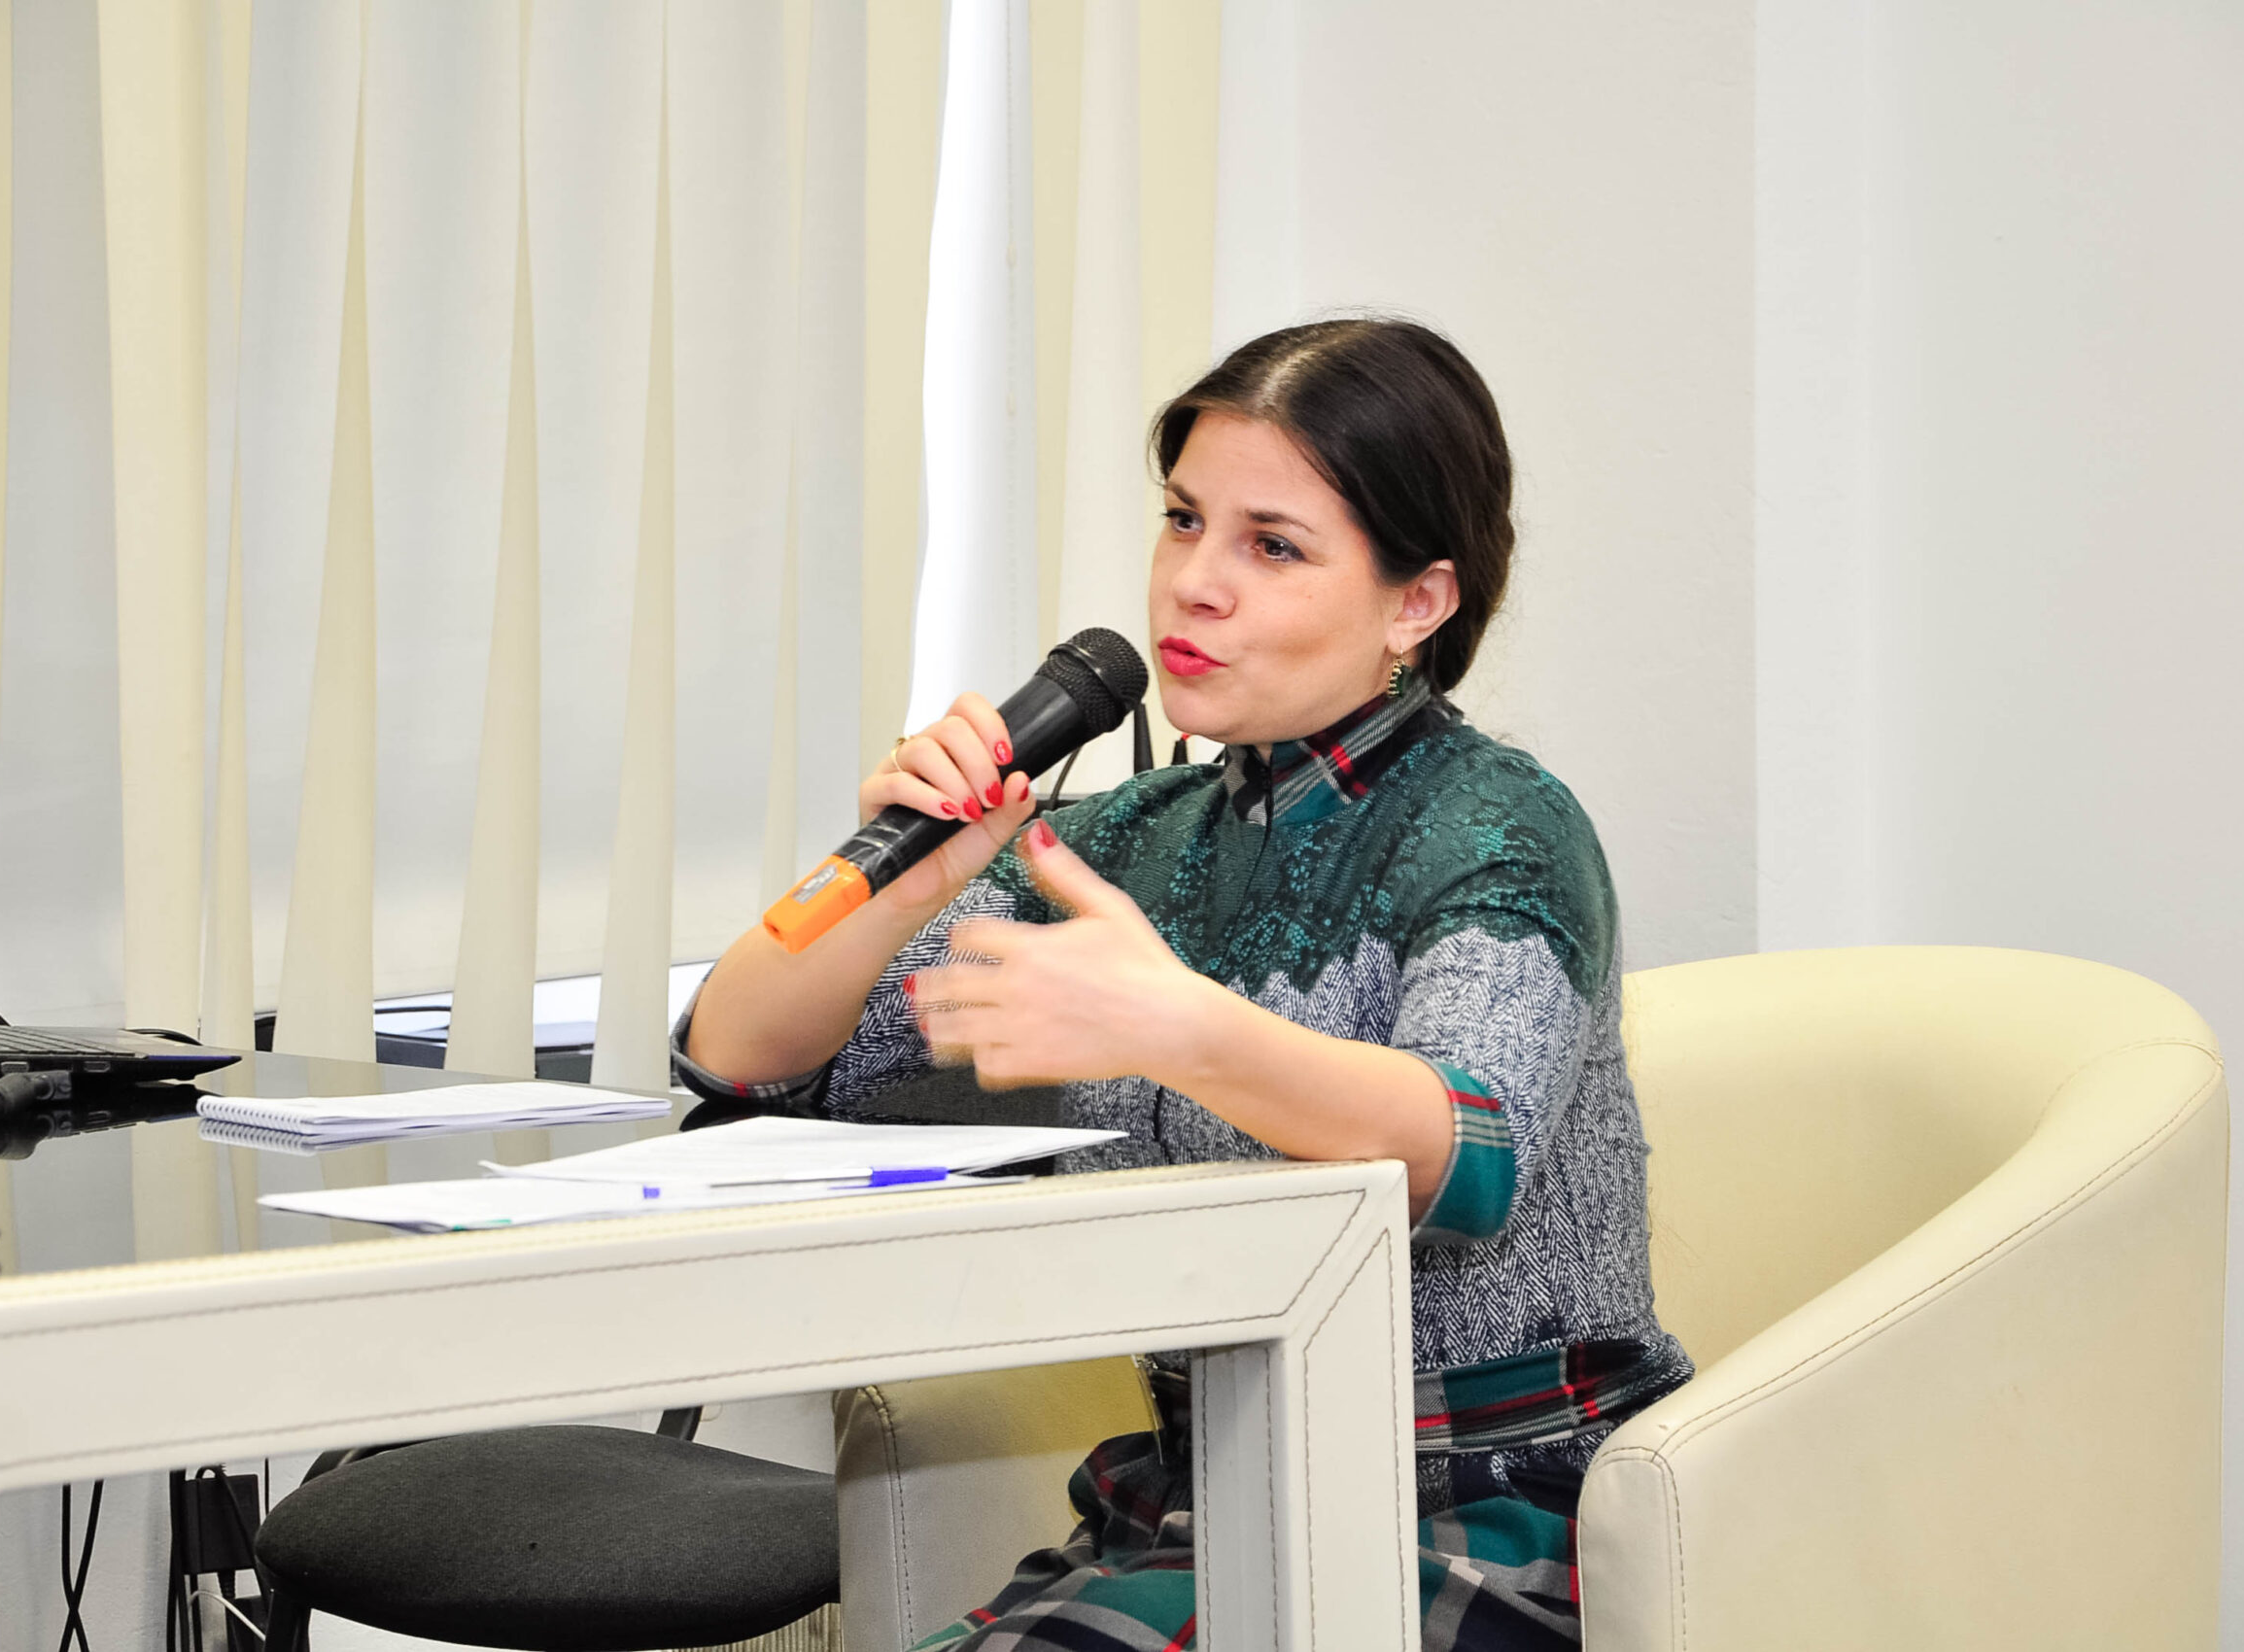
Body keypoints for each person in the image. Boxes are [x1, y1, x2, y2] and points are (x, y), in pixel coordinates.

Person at [674, 318, 1690, 1651]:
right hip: (1201, 1502)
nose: (1193, 585)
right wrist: (902, 888)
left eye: (1274, 547)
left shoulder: (1499, 827)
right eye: (1182, 520)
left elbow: (1465, 1154)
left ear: (1417, 603)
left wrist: (1175, 1024)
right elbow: (745, 1063)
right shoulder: (1129, 840)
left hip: (1486, 1510)